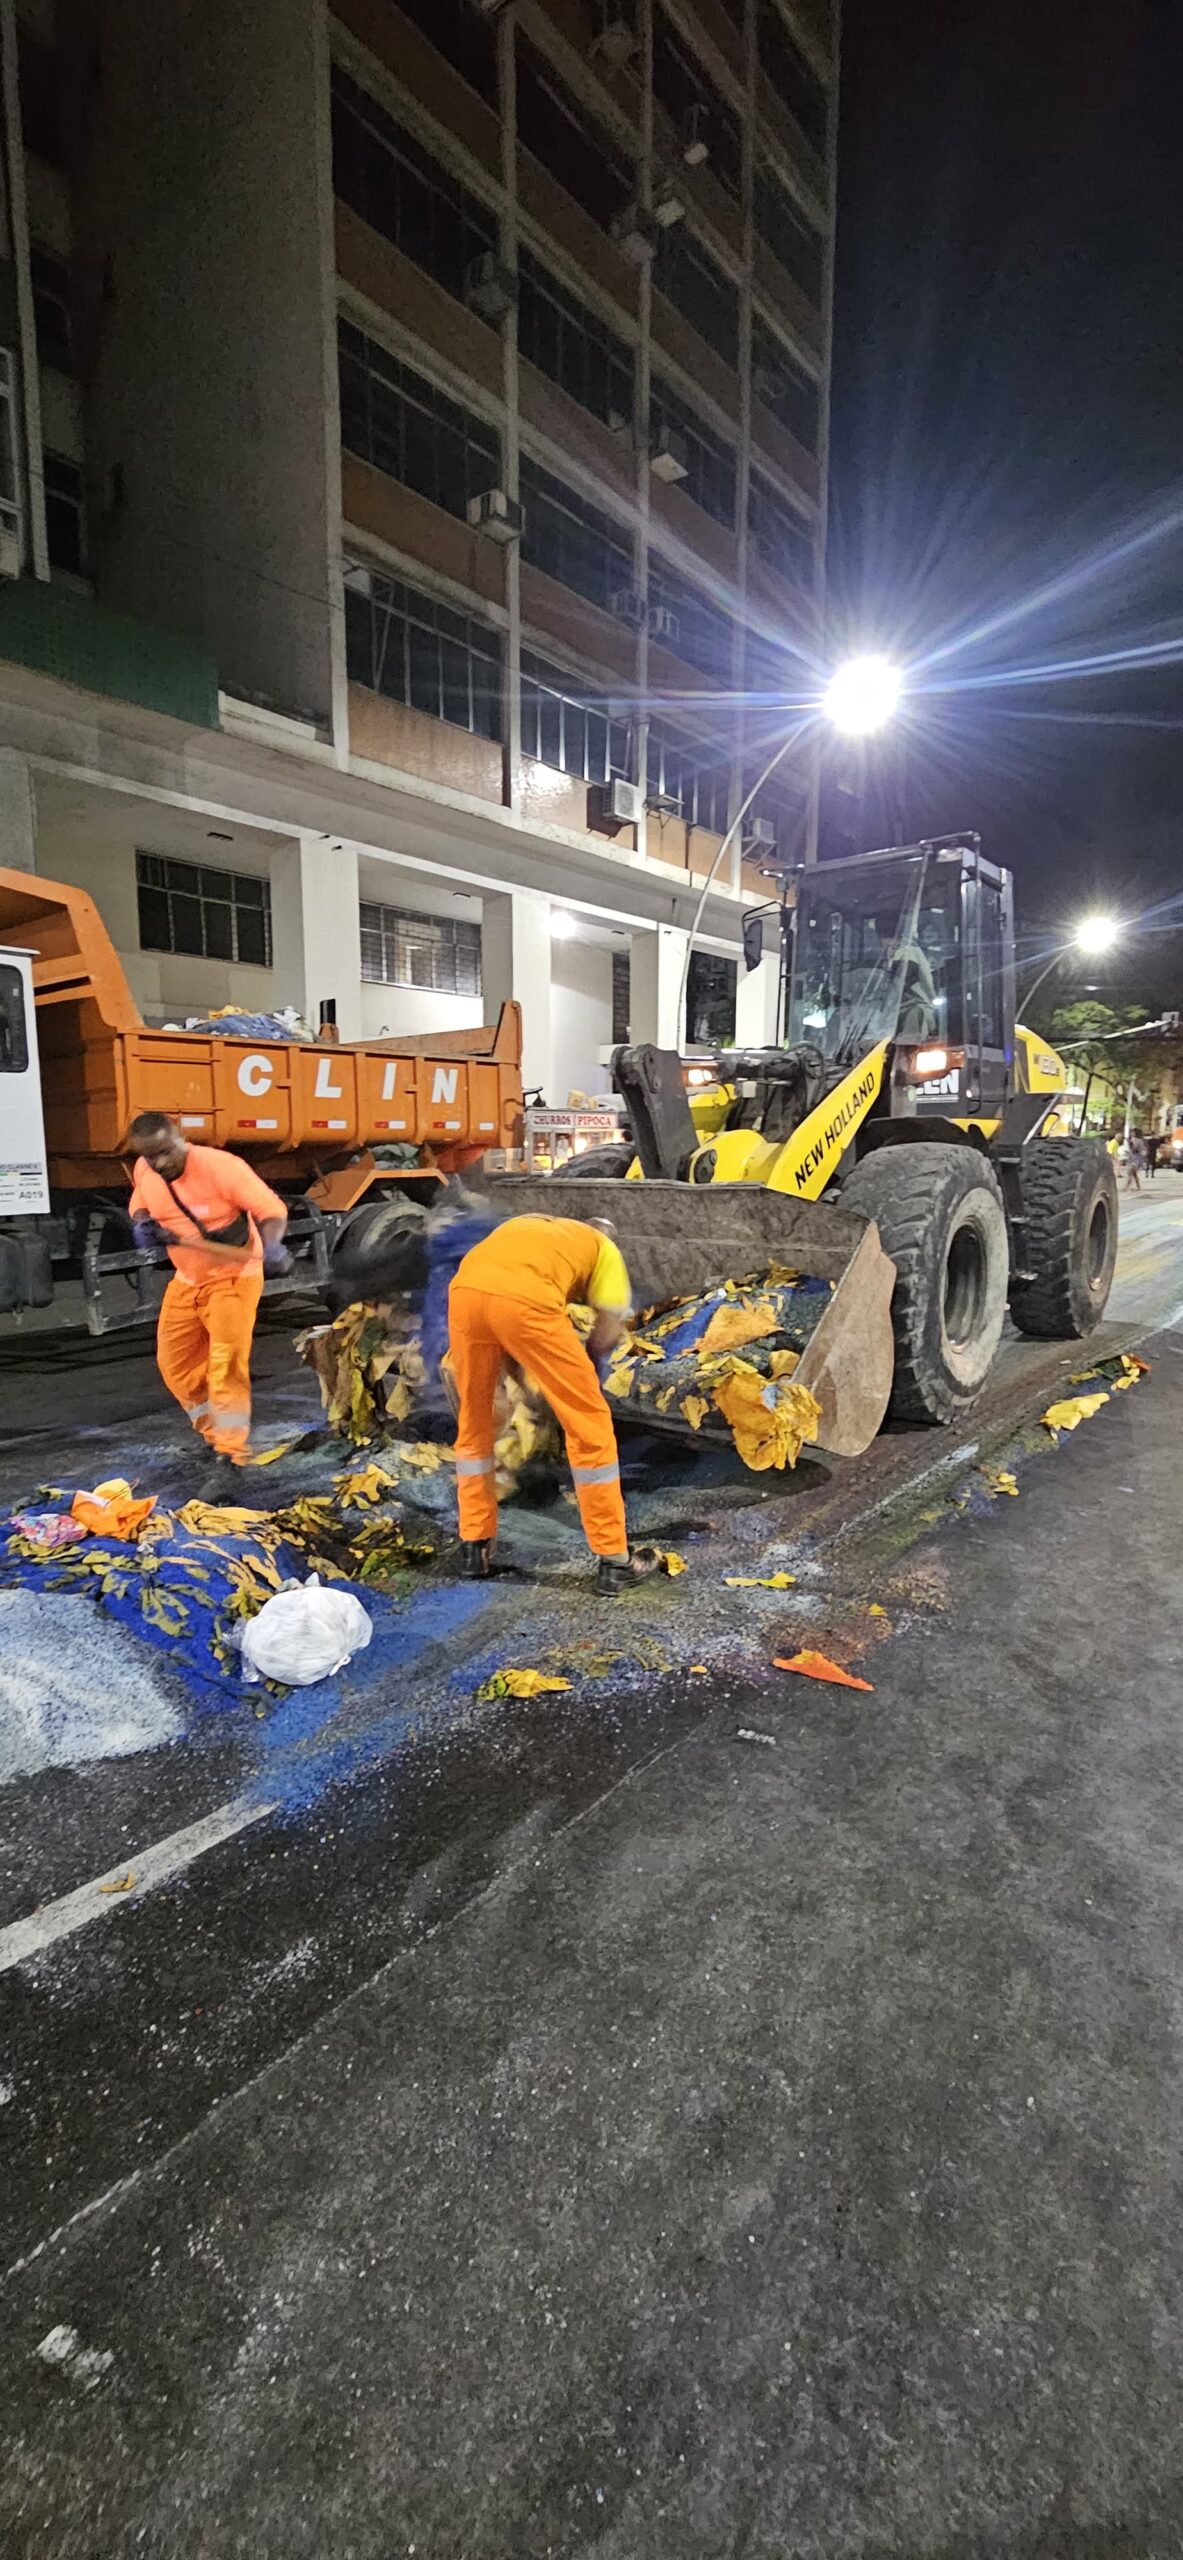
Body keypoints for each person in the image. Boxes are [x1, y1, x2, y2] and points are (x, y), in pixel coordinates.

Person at [447, 1213, 658, 1592]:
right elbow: (606, 1332)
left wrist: (529, 1379)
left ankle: (473, 1546)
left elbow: (500, 1314)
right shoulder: (604, 1249)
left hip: (465, 1294)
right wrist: (585, 1367)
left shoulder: (534, 1229)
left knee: (475, 1420)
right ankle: (615, 1561)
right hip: (526, 1301)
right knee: (589, 1423)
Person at [128, 1112, 291, 1470]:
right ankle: (213, 1433)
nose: (161, 1163)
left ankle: (231, 1455)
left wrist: (273, 1245)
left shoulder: (221, 1168)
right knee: (175, 1365)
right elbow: (141, 1200)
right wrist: (142, 1222)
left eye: (166, 1152)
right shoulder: (146, 1170)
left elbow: (271, 1210)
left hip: (233, 1279)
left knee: (225, 1366)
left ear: (181, 1137)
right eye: (151, 1157)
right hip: (187, 1280)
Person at [873, 910, 939, 1038]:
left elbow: (899, 982)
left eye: (881, 936)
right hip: (898, 1012)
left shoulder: (909, 952)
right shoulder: (893, 953)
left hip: (915, 1012)